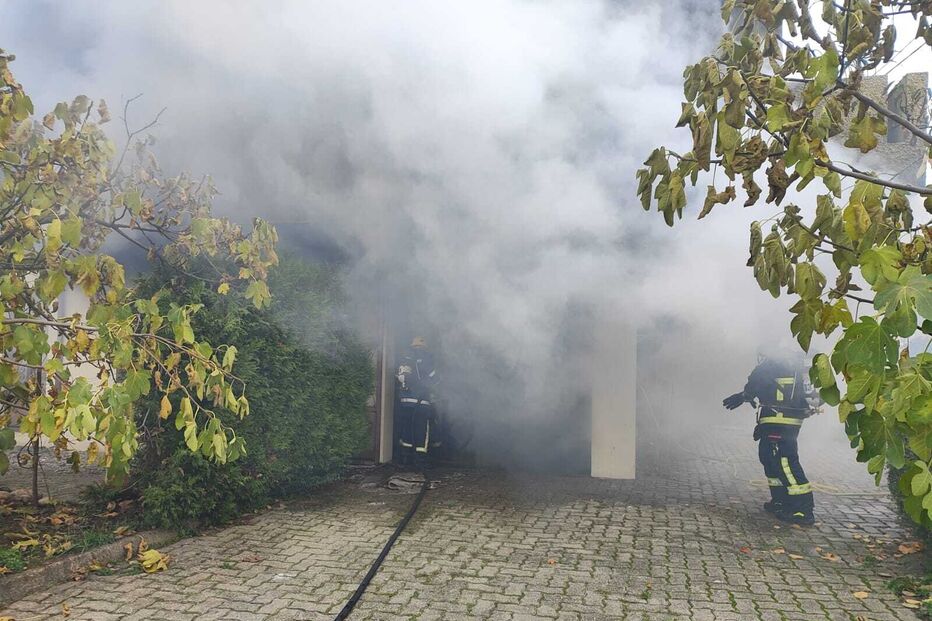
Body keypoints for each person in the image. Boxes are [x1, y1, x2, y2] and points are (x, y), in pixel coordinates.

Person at [723, 350, 818, 525]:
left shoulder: (775, 361)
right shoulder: (785, 362)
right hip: (779, 417)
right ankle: (781, 500)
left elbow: (757, 378)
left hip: (780, 418)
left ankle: (803, 510)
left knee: (784, 460)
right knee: (768, 456)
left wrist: (744, 395)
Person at [396, 336, 440, 465]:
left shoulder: (404, 359)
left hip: (406, 401)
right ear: (424, 347)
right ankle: (420, 461)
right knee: (421, 431)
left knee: (407, 429)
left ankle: (405, 459)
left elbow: (400, 377)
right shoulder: (427, 359)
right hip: (421, 402)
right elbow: (435, 379)